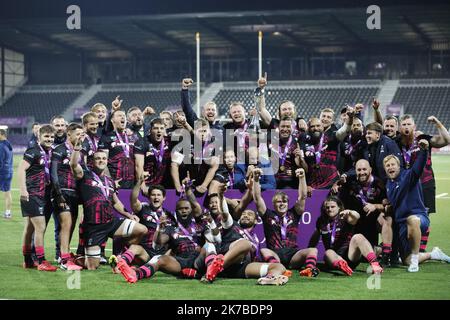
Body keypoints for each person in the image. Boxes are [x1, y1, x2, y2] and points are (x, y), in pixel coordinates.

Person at [70, 139, 147, 270]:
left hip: (111, 222)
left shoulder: (109, 181)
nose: (101, 161)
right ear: (92, 162)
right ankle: (78, 259)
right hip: (94, 226)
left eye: (104, 158)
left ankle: (121, 257)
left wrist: (128, 214)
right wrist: (76, 150)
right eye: (98, 158)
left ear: (107, 161)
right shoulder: (85, 175)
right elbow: (73, 165)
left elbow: (115, 202)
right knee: (92, 267)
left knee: (141, 229)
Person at [383, 140, 450, 272]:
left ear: (399, 166)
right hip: (401, 225)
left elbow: (418, 166)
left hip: (419, 218)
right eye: (387, 166)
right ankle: (434, 254)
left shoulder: (409, 175)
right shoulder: (388, 185)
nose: (390, 167)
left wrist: (424, 151)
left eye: (392, 165)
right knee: (405, 260)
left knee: (412, 220)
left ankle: (415, 261)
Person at [253, 167, 320, 277]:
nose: (282, 204)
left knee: (313, 250)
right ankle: (278, 268)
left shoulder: (294, 213)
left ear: (288, 204)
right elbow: (257, 198)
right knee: (264, 250)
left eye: (284, 202)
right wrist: (256, 179)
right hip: (275, 253)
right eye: (278, 202)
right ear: (274, 204)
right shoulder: (268, 215)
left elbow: (302, 196)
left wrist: (302, 177)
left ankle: (309, 269)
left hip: (293, 254)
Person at [332, 159, 393, 266]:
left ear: (370, 170)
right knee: (363, 256)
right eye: (359, 170)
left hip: (373, 221)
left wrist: (375, 206)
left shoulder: (379, 184)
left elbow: (387, 207)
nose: (362, 172)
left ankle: (386, 255)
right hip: (356, 222)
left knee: (387, 218)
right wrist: (336, 184)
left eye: (364, 169)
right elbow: (339, 183)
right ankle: (378, 250)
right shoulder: (350, 182)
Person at [310, 196, 384, 276]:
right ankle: (343, 266)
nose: (330, 209)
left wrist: (350, 212)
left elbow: (357, 216)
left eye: (333, 207)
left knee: (358, 237)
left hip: (350, 255)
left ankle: (375, 265)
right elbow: (315, 238)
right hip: (333, 258)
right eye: (327, 207)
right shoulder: (321, 221)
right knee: (328, 252)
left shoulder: (345, 217)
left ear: (339, 208)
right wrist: (309, 253)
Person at [19, 125, 57, 271]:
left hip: (42, 194)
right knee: (40, 227)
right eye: (46, 136)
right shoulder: (33, 151)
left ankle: (28, 260)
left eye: (51, 137)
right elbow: (21, 169)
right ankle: (41, 261)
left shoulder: (50, 152)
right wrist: (23, 190)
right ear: (39, 137)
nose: (49, 139)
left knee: (29, 228)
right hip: (33, 193)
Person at [50, 123, 85, 271]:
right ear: (69, 134)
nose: (80, 137)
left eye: (82, 134)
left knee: (70, 225)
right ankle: (64, 259)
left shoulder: (79, 151)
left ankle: (63, 255)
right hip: (62, 192)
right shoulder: (60, 149)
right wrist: (58, 194)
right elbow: (53, 173)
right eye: (78, 134)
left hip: (74, 194)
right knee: (65, 224)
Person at [302, 112, 352, 190]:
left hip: (330, 185)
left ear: (322, 127)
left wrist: (350, 118)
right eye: (312, 126)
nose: (315, 128)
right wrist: (305, 185)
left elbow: (343, 131)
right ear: (308, 128)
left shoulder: (331, 137)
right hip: (311, 187)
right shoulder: (304, 141)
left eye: (318, 126)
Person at [98, 109, 145, 189]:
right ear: (112, 120)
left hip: (132, 183)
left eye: (124, 116)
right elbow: (103, 163)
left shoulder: (134, 137)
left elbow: (139, 164)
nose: (123, 117)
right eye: (119, 116)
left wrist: (140, 184)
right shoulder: (106, 137)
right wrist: (110, 182)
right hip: (114, 181)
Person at [142, 118, 173, 191]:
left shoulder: (170, 141)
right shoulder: (143, 142)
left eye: (162, 128)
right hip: (148, 184)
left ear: (165, 130)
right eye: (156, 128)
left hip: (166, 185)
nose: (159, 131)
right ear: (150, 130)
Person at [0, 128, 13, 219]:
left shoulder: (1, 146)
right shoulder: (9, 144)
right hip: (9, 171)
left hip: (2, 172)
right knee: (7, 193)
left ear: (1, 134)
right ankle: (8, 213)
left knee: (6, 193)